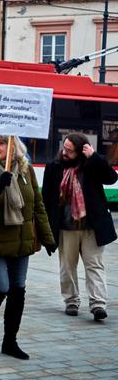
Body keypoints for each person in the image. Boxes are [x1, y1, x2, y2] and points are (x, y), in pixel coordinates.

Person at [0, 135, 56, 360]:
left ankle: (10, 341)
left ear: (14, 147)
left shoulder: (26, 171)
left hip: (21, 240)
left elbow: (37, 204)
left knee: (18, 289)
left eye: (1, 144)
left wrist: (48, 237)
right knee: (1, 286)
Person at [42, 133, 117, 321]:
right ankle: (72, 301)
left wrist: (95, 157)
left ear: (81, 151)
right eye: (63, 148)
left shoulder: (91, 165)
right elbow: (46, 198)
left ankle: (98, 304)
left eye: (69, 150)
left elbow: (111, 178)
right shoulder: (54, 167)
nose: (64, 152)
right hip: (66, 227)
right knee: (67, 267)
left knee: (95, 265)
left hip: (91, 227)